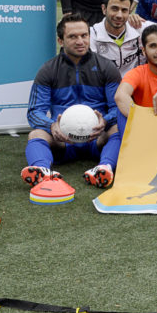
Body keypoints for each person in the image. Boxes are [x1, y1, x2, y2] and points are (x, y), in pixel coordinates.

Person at [22, 14, 122, 189]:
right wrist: (52, 126)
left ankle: (104, 167)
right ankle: (41, 170)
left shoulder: (107, 67)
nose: (80, 41)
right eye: (73, 37)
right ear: (60, 40)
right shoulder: (48, 70)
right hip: (63, 140)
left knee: (117, 129)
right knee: (36, 134)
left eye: (84, 35)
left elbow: (117, 107)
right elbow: (34, 112)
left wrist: (105, 121)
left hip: (97, 138)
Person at [89, 0, 145, 78]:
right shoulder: (91, 35)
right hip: (104, 89)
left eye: (124, 10)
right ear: (104, 9)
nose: (119, 15)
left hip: (134, 88)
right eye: (114, 9)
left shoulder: (139, 27)